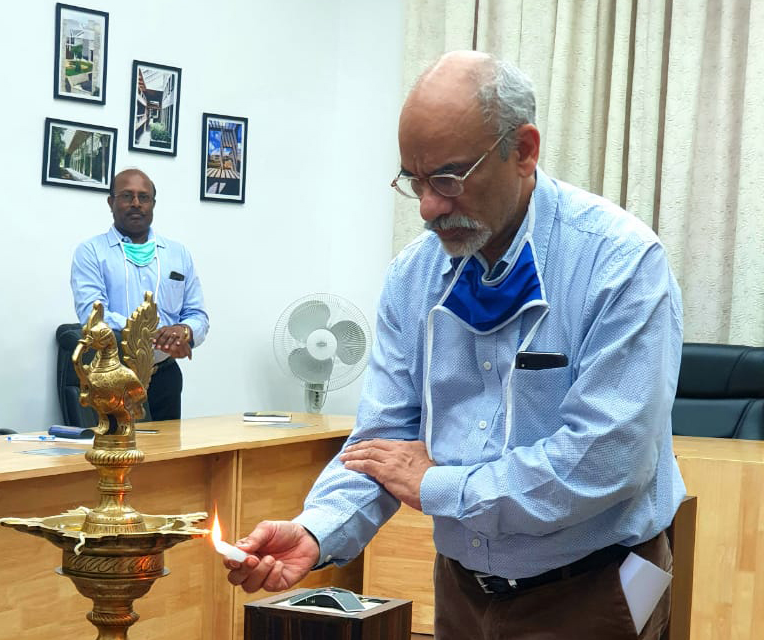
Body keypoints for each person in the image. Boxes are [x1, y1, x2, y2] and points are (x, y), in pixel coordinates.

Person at [223, 51, 685, 640]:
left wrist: (439, 483)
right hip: (463, 590)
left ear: (523, 149)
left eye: (449, 178)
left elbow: (605, 462)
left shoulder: (618, 264)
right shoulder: (413, 276)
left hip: (595, 589)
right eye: (414, 182)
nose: (428, 208)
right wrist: (318, 529)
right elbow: (383, 441)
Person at [71, 168, 209, 421]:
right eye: (127, 196)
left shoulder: (178, 254)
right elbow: (93, 317)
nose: (136, 203)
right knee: (118, 456)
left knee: (168, 458)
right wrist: (149, 335)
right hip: (115, 378)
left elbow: (197, 314)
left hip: (165, 376)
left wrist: (184, 332)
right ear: (111, 202)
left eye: (143, 197)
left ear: (153, 204)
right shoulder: (91, 252)